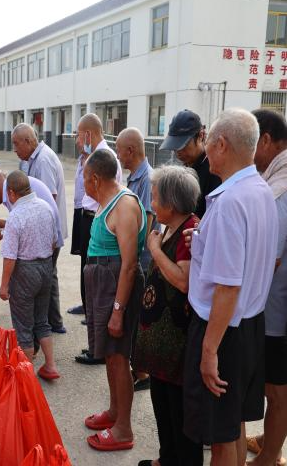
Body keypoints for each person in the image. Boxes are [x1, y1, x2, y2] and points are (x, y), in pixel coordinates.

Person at [183, 109, 278, 466]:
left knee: (220, 438)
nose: (206, 150)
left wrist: (209, 351)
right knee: (233, 424)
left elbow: (227, 287)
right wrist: (203, 239)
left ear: (221, 144)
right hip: (249, 325)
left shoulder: (230, 202)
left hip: (223, 330)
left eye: (208, 141)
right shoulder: (261, 191)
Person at [132, 165, 203, 466]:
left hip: (178, 342)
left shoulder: (190, 230)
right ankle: (166, 458)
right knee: (162, 404)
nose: (151, 203)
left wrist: (155, 250)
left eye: (155, 197)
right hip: (162, 343)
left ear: (172, 204)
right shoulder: (169, 226)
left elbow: (183, 281)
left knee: (179, 411)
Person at [82, 149, 146, 452]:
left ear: (95, 179)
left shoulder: (125, 205)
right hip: (102, 282)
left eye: (84, 177)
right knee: (109, 354)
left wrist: (118, 310)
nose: (83, 183)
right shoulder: (105, 201)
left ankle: (124, 429)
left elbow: (129, 265)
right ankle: (114, 411)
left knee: (119, 357)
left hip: (115, 285)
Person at [245, 109, 287, 466]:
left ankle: (270, 456)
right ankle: (268, 441)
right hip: (275, 305)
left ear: (266, 140)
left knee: (276, 388)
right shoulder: (277, 178)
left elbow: (268, 259)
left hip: (276, 310)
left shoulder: (279, 191)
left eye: (251, 143)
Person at [72, 114, 123, 365]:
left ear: (88, 134)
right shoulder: (91, 156)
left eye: (78, 134)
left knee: (96, 285)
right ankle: (95, 345)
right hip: (89, 216)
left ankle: (99, 349)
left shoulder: (104, 158)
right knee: (88, 280)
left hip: (97, 219)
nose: (76, 140)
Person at [0, 170, 60, 380]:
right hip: (46, 267)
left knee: (23, 326)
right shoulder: (46, 207)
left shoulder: (15, 216)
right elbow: (54, 242)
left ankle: (26, 379)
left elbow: (10, 257)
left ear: (11, 192)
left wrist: (4, 285)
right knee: (42, 321)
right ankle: (50, 365)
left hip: (25, 271)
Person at [11, 122, 67, 333]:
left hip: (48, 231)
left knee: (45, 276)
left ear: (28, 141)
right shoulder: (31, 159)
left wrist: (48, 237)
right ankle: (53, 322)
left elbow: (48, 201)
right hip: (46, 230)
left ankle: (50, 323)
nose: (14, 149)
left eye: (16, 144)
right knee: (48, 274)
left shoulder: (42, 160)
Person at [116, 127, 158, 392]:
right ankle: (139, 369)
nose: (117, 155)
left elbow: (147, 222)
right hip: (134, 259)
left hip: (141, 261)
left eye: (119, 150)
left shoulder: (147, 179)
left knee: (137, 318)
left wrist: (130, 260)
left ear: (130, 150)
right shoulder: (135, 177)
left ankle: (142, 373)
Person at [160, 109, 221, 218]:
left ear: (201, 136)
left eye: (183, 145)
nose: (178, 151)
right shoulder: (185, 168)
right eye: (174, 146)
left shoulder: (215, 171)